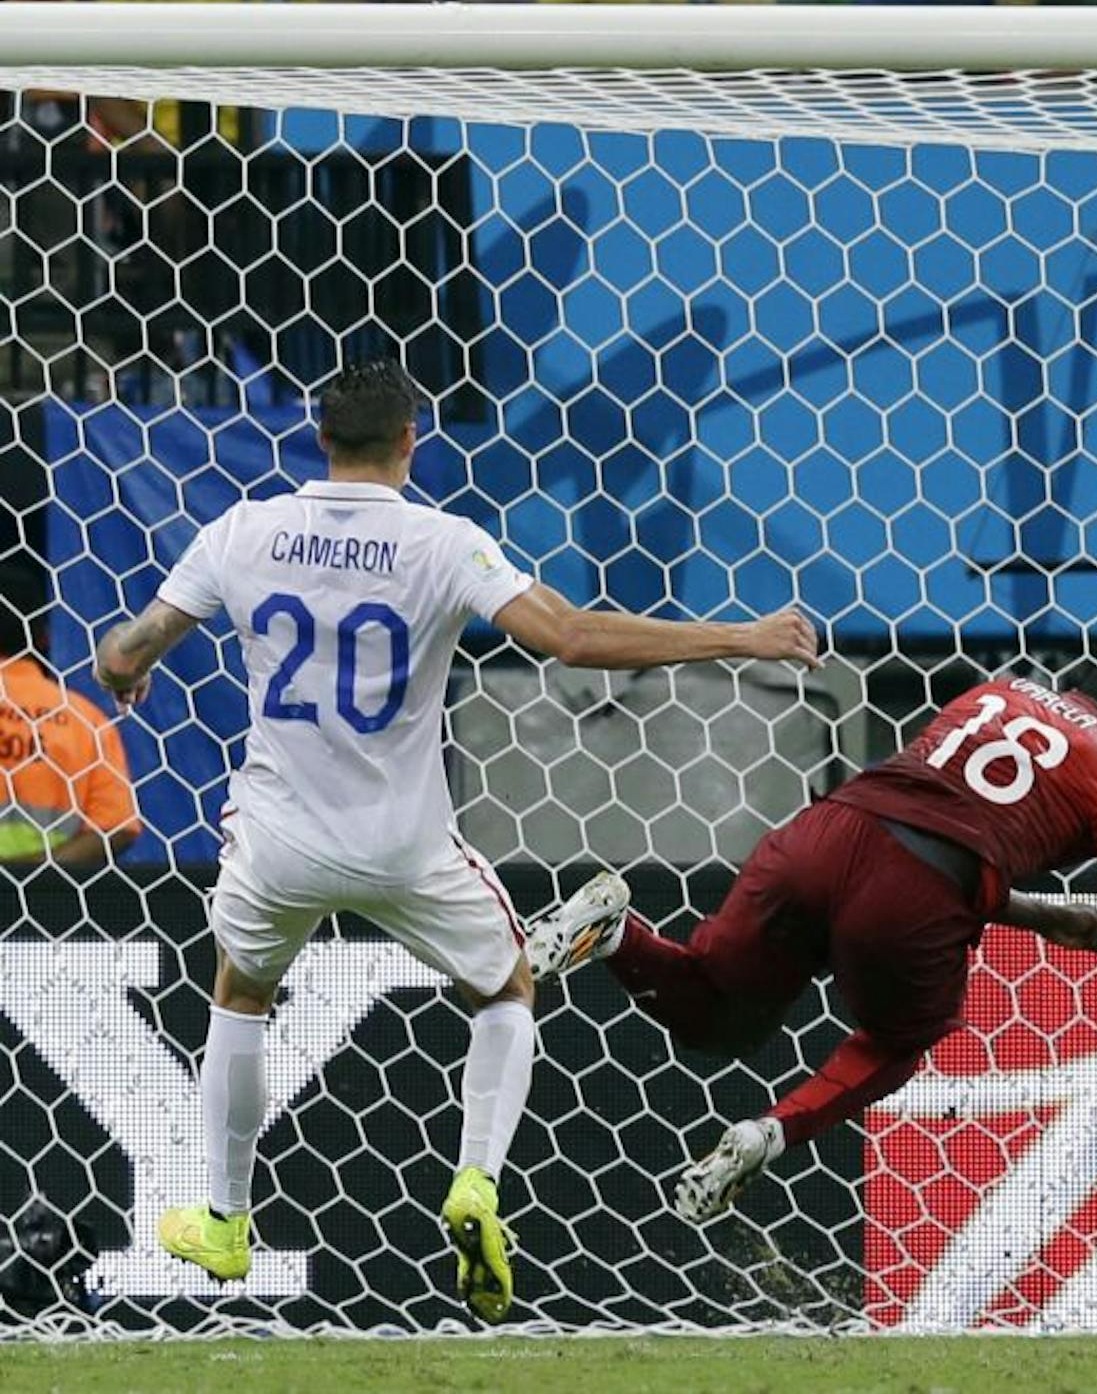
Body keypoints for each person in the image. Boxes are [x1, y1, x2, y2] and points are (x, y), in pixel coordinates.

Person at [91, 358, 819, 1322]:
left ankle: (226, 1216)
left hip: (277, 842)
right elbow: (569, 636)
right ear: (409, 441)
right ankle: (477, 1180)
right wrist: (741, 636)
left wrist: (124, 670)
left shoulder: (244, 529)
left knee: (241, 991)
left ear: (320, 438)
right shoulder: (442, 542)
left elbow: (128, 649)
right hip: (408, 845)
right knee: (505, 985)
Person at [521, 654, 1097, 1220]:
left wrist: (1030, 909)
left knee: (713, 1014)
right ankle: (770, 1132)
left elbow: (938, 817)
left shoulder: (998, 694)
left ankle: (616, 930)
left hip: (826, 831)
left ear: (1075, 687)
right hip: (910, 895)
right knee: (904, 1032)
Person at [0, 599, 140, 867]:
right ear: (43, 638)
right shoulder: (85, 719)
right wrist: (36, 877)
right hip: (49, 899)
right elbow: (117, 827)